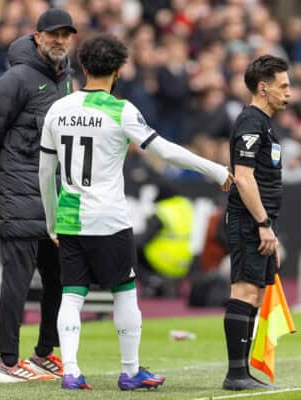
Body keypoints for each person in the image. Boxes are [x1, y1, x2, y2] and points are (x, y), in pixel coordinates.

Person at [39, 33, 232, 391]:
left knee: (71, 295)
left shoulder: (58, 109)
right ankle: (130, 371)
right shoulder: (121, 110)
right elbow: (167, 152)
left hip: (68, 218)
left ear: (83, 67)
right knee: (125, 291)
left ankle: (70, 370)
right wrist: (216, 170)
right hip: (109, 219)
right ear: (119, 71)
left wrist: (51, 221)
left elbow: (45, 172)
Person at [0, 8, 77, 383]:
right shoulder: (15, 79)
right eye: (54, 35)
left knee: (58, 279)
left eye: (66, 35)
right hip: (19, 190)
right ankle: (7, 360)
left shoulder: (68, 81)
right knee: (17, 282)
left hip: (53, 196)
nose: (60, 41)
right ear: (37, 37)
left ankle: (45, 353)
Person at [222, 54, 291, 391]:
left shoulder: (263, 123)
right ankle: (235, 374)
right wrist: (263, 223)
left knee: (256, 292)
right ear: (263, 88)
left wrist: (270, 227)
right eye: (283, 86)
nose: (289, 93)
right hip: (249, 220)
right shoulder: (250, 121)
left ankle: (242, 371)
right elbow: (245, 179)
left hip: (262, 222)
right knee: (245, 290)